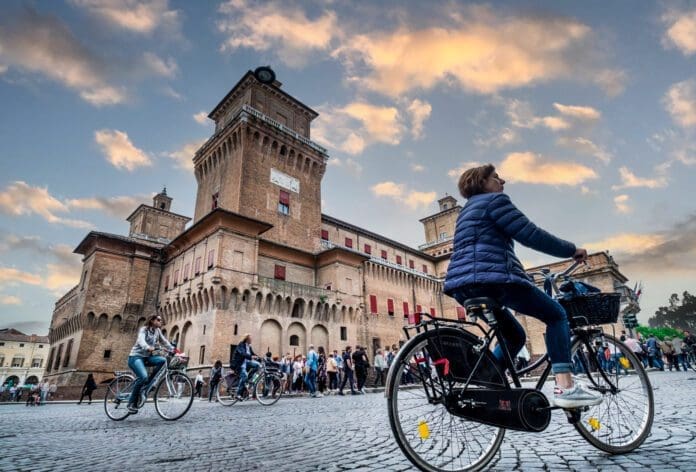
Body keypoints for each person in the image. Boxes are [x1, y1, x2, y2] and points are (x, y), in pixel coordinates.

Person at [443, 164, 602, 409]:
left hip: (461, 287)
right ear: (482, 182)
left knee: (514, 336)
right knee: (557, 315)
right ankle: (565, 386)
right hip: (495, 281)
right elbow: (531, 234)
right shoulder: (494, 201)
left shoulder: (465, 213)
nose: (502, 181)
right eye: (496, 177)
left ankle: (488, 381)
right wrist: (571, 250)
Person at [127, 314, 173, 414]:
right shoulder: (144, 329)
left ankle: (149, 383)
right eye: (158, 319)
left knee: (163, 360)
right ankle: (131, 403)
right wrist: (147, 347)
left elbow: (164, 342)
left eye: (160, 320)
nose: (161, 321)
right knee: (143, 377)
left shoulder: (157, 331)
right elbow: (140, 340)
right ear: (152, 321)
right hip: (136, 357)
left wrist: (174, 350)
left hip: (147, 358)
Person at [230, 334, 260, 401]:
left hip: (247, 363)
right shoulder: (241, 345)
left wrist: (260, 358)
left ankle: (249, 377)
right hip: (240, 364)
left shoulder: (249, 347)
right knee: (244, 376)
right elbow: (242, 353)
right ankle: (238, 394)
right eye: (250, 339)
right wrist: (251, 357)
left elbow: (253, 354)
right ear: (247, 339)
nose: (251, 340)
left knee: (258, 365)